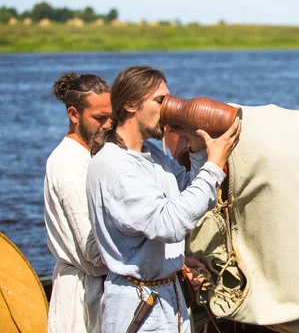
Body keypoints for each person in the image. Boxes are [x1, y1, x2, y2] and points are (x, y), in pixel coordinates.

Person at [86, 66, 241, 333]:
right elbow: (170, 225)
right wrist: (215, 164)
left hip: (168, 296)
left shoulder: (153, 156)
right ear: (130, 105)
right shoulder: (115, 166)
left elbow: (193, 200)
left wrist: (197, 148)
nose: (168, 108)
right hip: (137, 305)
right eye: (160, 101)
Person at [44, 72, 111, 332]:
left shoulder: (88, 156)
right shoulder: (70, 163)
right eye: (99, 118)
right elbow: (93, 251)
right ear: (74, 114)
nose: (107, 125)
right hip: (80, 297)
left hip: (92, 289)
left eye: (110, 117)